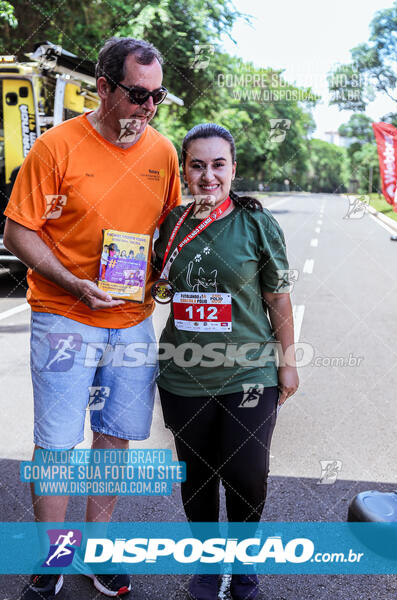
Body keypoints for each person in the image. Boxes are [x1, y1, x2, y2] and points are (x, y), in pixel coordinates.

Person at [4, 37, 181, 599]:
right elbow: (17, 230)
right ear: (103, 86)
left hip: (131, 323)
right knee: (57, 445)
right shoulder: (57, 148)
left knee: (113, 438)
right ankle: (55, 557)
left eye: (157, 98)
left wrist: (171, 272)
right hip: (64, 315)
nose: (147, 110)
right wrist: (72, 281)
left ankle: (96, 553)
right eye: (136, 95)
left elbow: (173, 231)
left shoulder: (163, 153)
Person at [154, 123, 299, 600]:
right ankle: (207, 564)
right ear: (185, 171)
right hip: (183, 373)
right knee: (195, 475)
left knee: (246, 472)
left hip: (249, 371)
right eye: (197, 165)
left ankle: (243, 565)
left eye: (218, 165)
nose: (208, 175)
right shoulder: (170, 225)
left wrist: (288, 361)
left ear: (233, 169)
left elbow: (278, 298)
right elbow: (146, 283)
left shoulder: (258, 224)